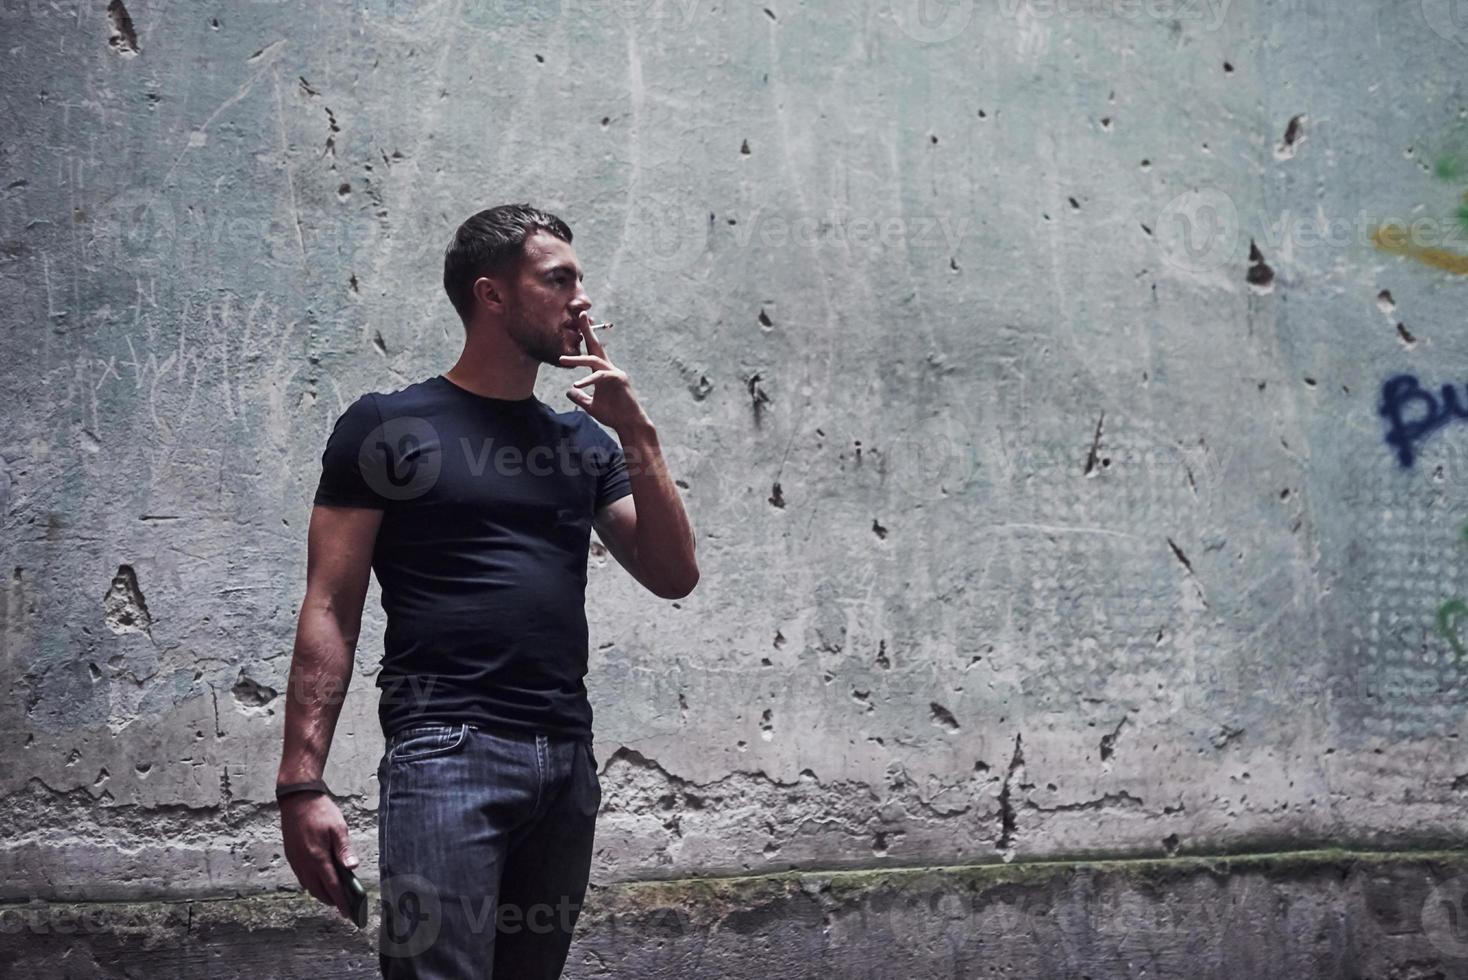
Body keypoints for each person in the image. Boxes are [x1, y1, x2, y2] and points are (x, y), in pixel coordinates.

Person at [275, 203, 700, 979]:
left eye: (581, 278)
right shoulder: (387, 428)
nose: (582, 299)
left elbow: (673, 575)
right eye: (558, 278)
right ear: (492, 295)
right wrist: (301, 784)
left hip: (565, 763)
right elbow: (331, 607)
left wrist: (638, 437)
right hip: (445, 753)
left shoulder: (581, 441)